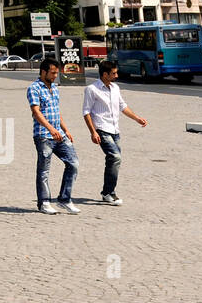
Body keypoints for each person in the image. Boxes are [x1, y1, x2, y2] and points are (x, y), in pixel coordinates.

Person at [82, 60, 147, 205]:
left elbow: (122, 106)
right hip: (101, 128)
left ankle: (107, 192)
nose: (117, 75)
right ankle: (109, 193)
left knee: (113, 161)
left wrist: (137, 118)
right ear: (105, 74)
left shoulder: (115, 88)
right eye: (114, 73)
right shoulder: (92, 89)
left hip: (115, 130)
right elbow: (86, 112)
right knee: (115, 157)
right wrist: (93, 132)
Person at [28, 57, 79, 214]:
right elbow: (36, 112)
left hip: (59, 134)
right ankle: (44, 202)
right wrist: (51, 129)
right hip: (44, 135)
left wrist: (66, 129)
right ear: (43, 72)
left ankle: (64, 199)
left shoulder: (55, 88)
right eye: (53, 73)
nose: (55, 75)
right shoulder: (34, 88)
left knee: (73, 163)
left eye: (57, 73)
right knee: (44, 170)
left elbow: (57, 111)